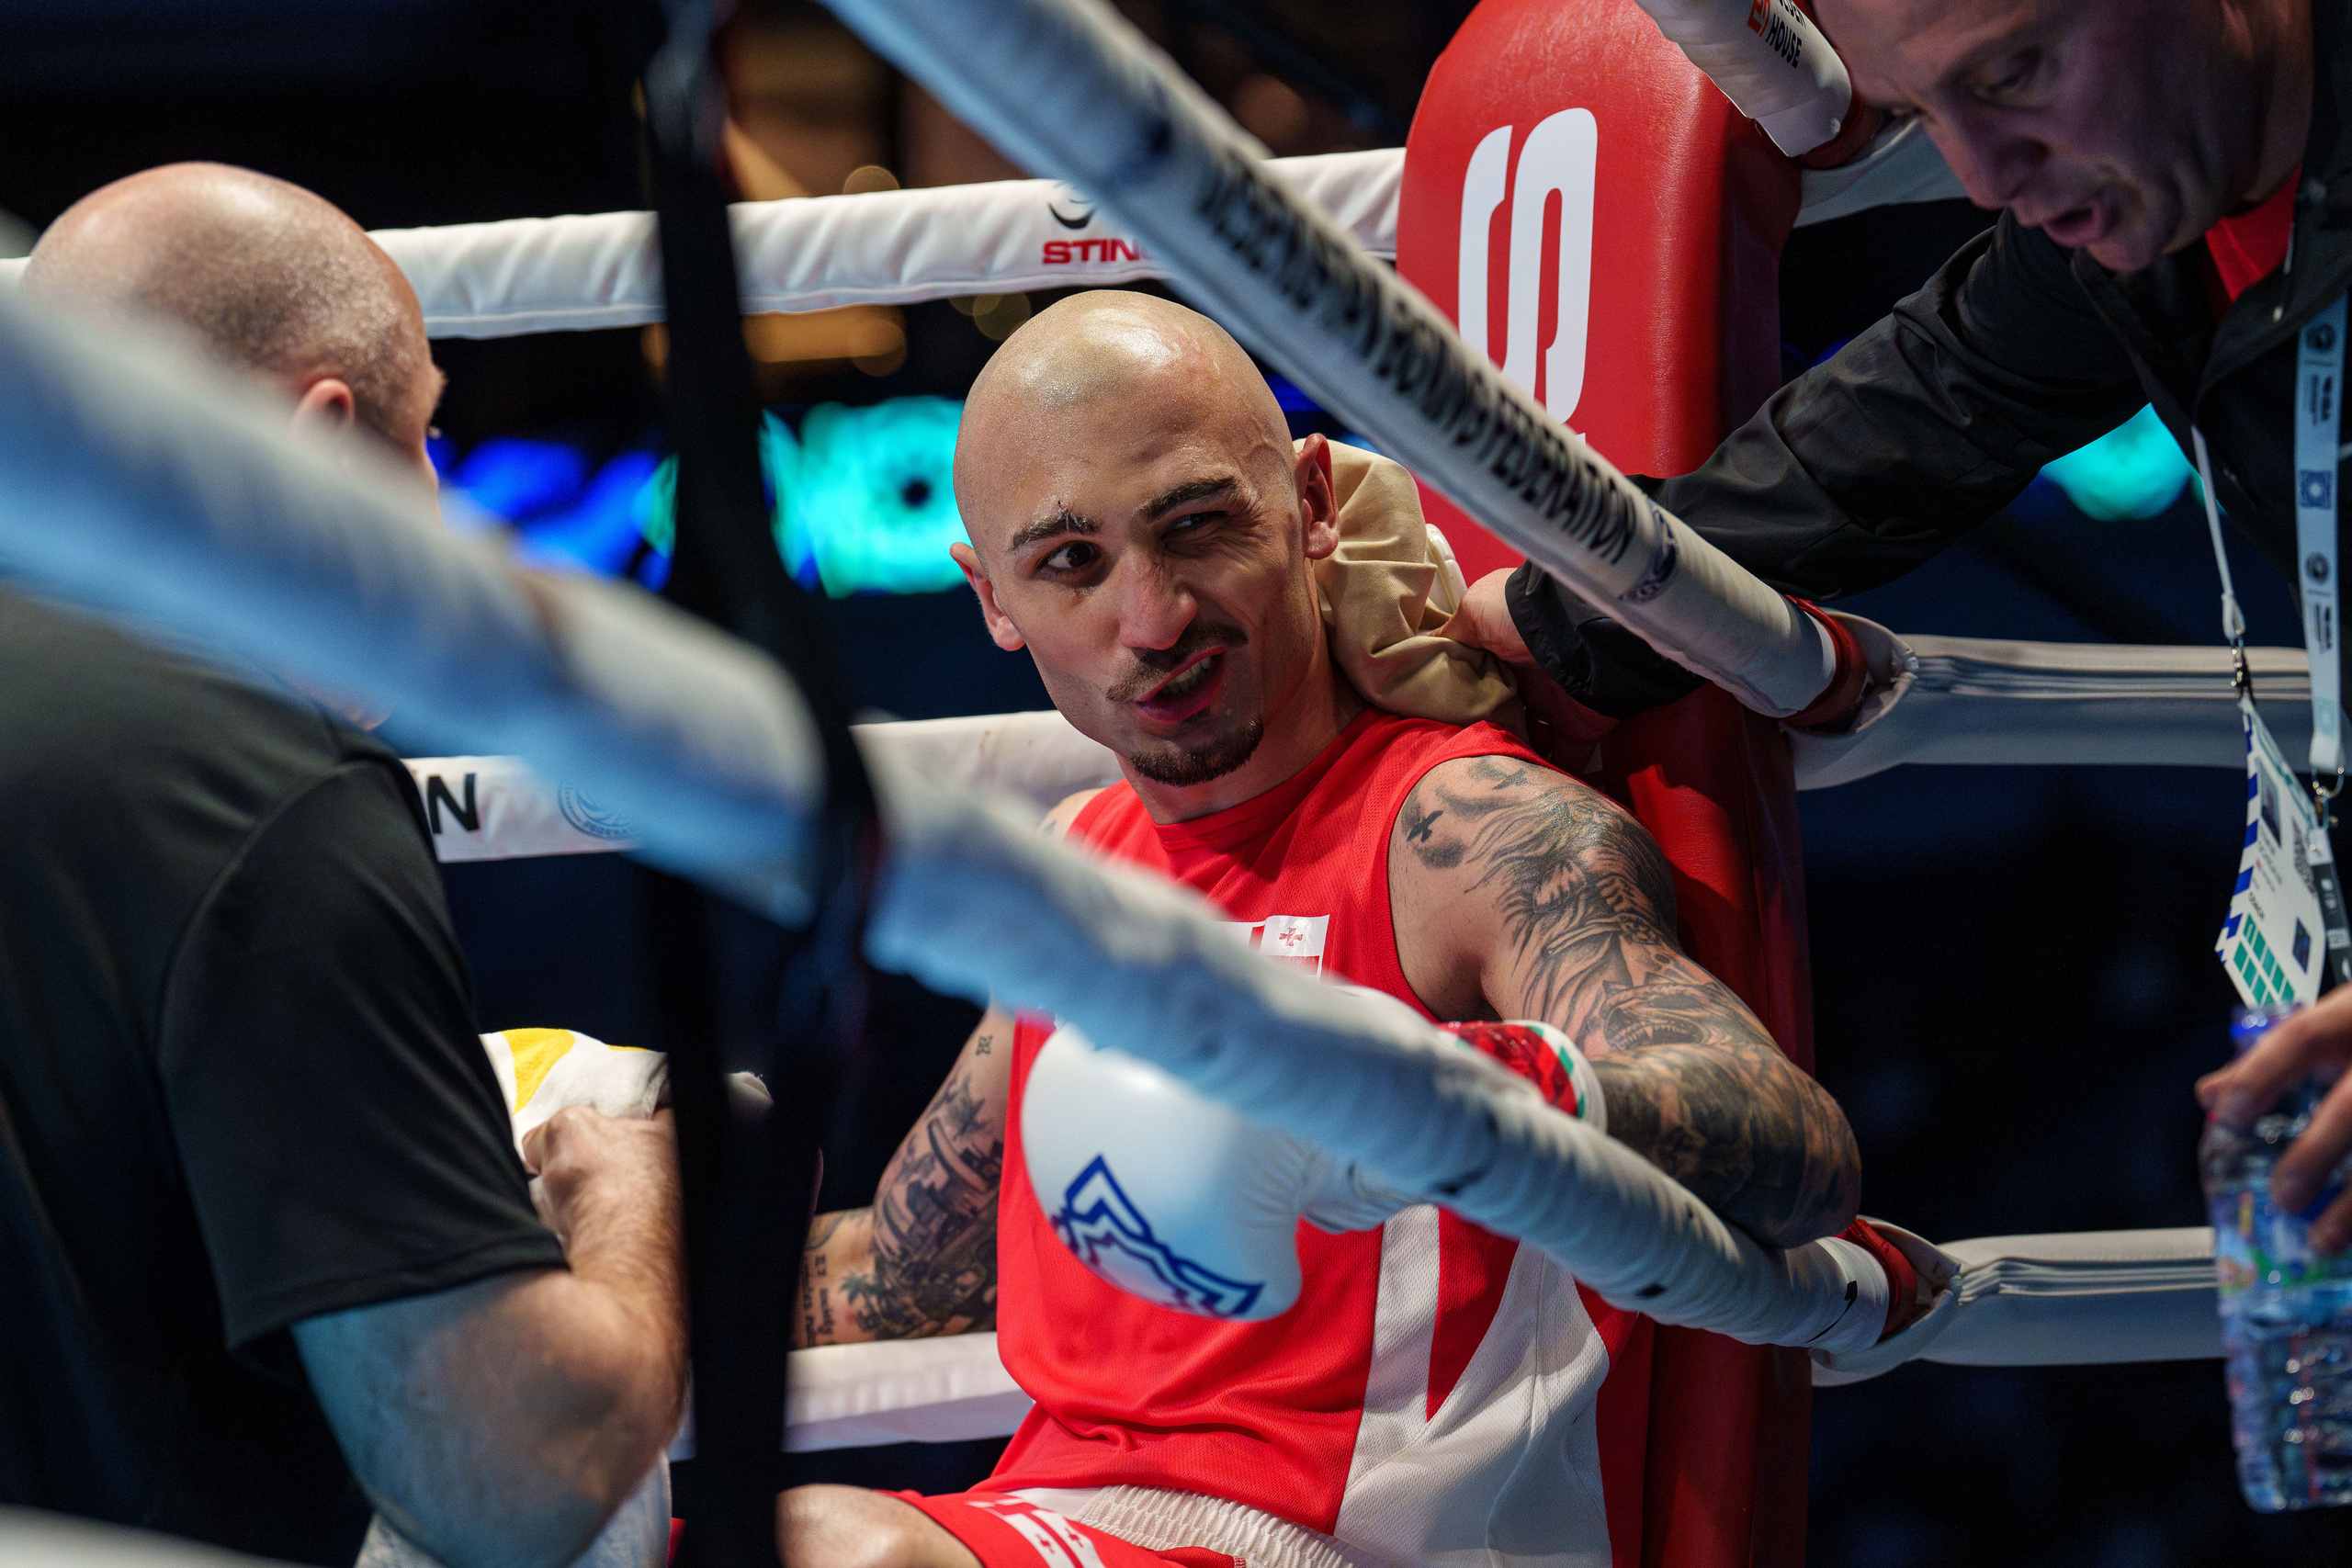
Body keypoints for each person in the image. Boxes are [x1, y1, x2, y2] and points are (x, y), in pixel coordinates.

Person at [773, 291, 1887, 1568]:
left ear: (1307, 505)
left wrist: (1414, 1102)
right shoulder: (1074, 870)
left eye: (1197, 528)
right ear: (994, 599)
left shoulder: (1460, 827)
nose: (1154, 619)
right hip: (1051, 1522)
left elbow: (1795, 1147)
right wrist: (594, 1200)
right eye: (1072, 563)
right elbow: (898, 1285)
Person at [1422, 0, 2352, 1253]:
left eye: (2016, 71)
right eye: (1919, 113)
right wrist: (1557, 620)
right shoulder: (2156, 214)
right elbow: (1919, 404)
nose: (1980, 174)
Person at [0, 164, 684, 1568]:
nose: (436, 501)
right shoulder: (262, 799)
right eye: (426, 439)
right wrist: (641, 1201)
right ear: (315, 448)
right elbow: (511, 1481)